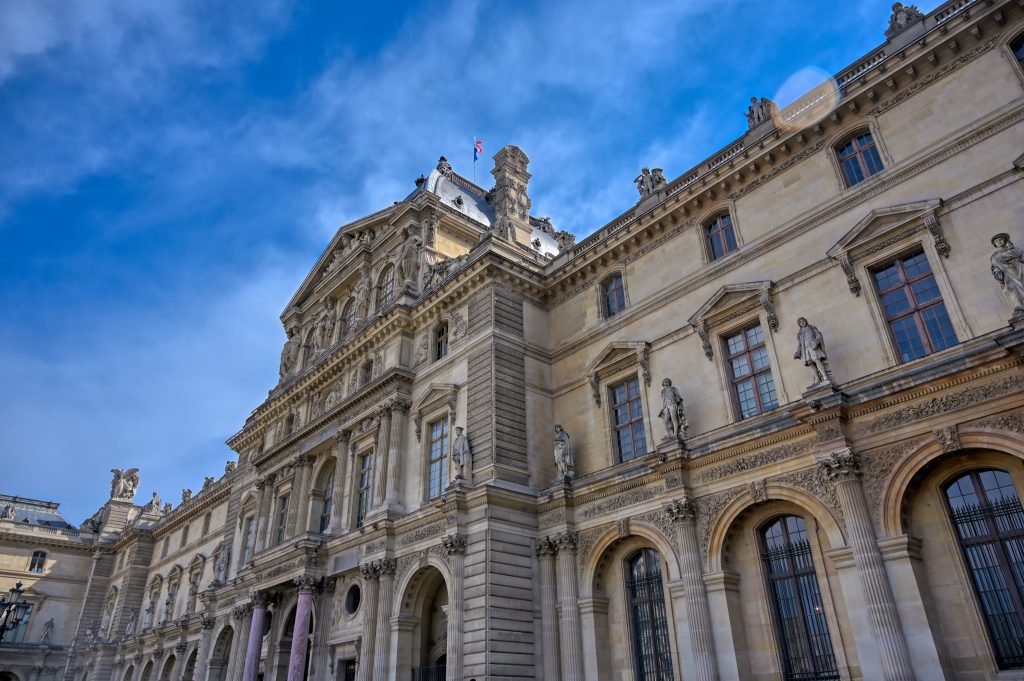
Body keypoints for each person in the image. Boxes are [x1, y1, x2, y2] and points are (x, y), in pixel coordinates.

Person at [991, 233, 1024, 318]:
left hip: (1020, 270)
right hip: (1009, 276)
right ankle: (1020, 308)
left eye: (1000, 240)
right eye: (996, 241)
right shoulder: (995, 256)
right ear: (995, 244)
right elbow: (995, 267)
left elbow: (1022, 257)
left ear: (1005, 240)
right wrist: (997, 273)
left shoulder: (1015, 249)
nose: (998, 242)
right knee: (1013, 290)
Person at [794, 317, 833, 387]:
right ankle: (817, 379)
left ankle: (824, 376)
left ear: (805, 321)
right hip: (805, 350)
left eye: (803, 321)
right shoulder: (799, 333)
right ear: (799, 324)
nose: (802, 323)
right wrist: (798, 352)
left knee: (817, 360)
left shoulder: (812, 328)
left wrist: (816, 341)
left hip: (813, 347)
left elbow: (818, 335)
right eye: (800, 322)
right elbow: (800, 344)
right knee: (810, 364)